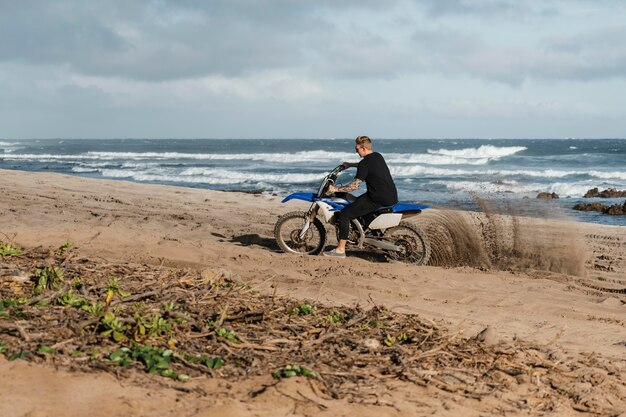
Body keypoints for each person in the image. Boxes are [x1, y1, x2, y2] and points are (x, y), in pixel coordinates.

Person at [324, 135, 398, 258]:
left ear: (363, 149)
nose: (356, 151)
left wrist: (336, 189)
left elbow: (354, 186)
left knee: (345, 214)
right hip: (390, 195)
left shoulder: (365, 164)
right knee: (357, 203)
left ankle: (340, 250)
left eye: (357, 149)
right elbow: (366, 165)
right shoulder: (377, 156)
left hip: (377, 198)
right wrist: (350, 165)